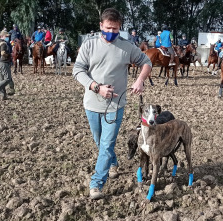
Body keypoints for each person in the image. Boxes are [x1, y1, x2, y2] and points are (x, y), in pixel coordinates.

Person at [73, 8, 152, 200]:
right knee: (101, 142)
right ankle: (112, 163)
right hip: (92, 103)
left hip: (115, 105)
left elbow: (146, 62)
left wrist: (140, 80)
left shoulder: (127, 47)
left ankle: (96, 184)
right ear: (101, 25)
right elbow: (78, 70)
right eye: (108, 28)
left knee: (107, 144)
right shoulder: (89, 45)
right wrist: (95, 87)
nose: (112, 32)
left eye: (116, 29)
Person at [0, 30, 13, 100]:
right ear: (3, 36)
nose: (8, 38)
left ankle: (3, 95)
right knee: (7, 78)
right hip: (4, 62)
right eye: (6, 36)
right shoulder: (3, 43)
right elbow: (3, 53)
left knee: (2, 79)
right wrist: (10, 54)